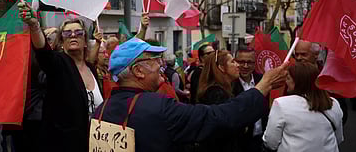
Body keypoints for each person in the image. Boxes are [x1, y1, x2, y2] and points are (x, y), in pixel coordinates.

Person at [94, 37, 289, 152]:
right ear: (138, 71)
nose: (162, 67)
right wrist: (263, 86)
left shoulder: (100, 111)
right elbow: (218, 118)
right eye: (155, 61)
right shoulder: (159, 108)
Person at [18, 2, 103, 152]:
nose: (72, 35)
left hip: (93, 144)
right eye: (66, 33)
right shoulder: (59, 63)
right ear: (62, 42)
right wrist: (34, 26)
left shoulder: (90, 69)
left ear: (85, 41)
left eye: (78, 32)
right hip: (63, 145)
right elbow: (44, 54)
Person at [263, 62, 344, 152]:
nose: (286, 81)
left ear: (298, 82)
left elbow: (271, 142)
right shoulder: (333, 103)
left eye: (288, 78)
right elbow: (338, 138)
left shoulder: (281, 104)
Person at [194, 50, 241, 152]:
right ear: (221, 67)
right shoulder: (216, 94)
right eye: (233, 62)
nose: (238, 65)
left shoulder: (223, 89)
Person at [232, 47, 268, 152]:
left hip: (261, 140)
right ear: (235, 62)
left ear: (255, 63)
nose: (245, 66)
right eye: (241, 62)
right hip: (239, 142)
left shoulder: (262, 80)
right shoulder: (230, 83)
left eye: (250, 62)